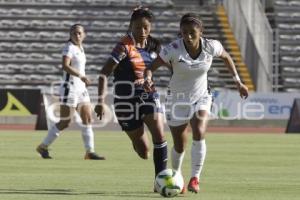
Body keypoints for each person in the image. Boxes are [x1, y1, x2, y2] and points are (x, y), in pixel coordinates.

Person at [144, 13, 249, 193]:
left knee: (199, 130)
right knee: (179, 144)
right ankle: (176, 177)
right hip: (177, 99)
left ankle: (195, 178)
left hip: (202, 96)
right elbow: (151, 68)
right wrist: (148, 79)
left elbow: (226, 57)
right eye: (184, 32)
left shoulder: (211, 46)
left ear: (201, 31)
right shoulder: (173, 49)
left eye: (192, 32)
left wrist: (237, 81)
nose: (188, 36)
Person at [94, 7, 168, 189]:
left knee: (159, 132)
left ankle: (160, 181)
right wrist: (101, 101)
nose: (141, 32)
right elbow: (104, 73)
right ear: (131, 26)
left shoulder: (155, 46)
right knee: (144, 151)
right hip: (124, 101)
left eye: (145, 27)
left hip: (147, 95)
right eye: (137, 28)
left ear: (150, 27)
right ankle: (137, 142)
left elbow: (169, 64)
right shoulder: (123, 46)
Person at [36, 24, 105, 160]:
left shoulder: (80, 48)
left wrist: (82, 79)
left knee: (88, 118)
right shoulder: (69, 47)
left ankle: (89, 152)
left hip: (81, 89)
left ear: (84, 35)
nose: (77, 35)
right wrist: (82, 76)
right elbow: (65, 66)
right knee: (65, 122)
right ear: (70, 34)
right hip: (70, 88)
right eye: (74, 33)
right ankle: (43, 146)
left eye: (79, 33)